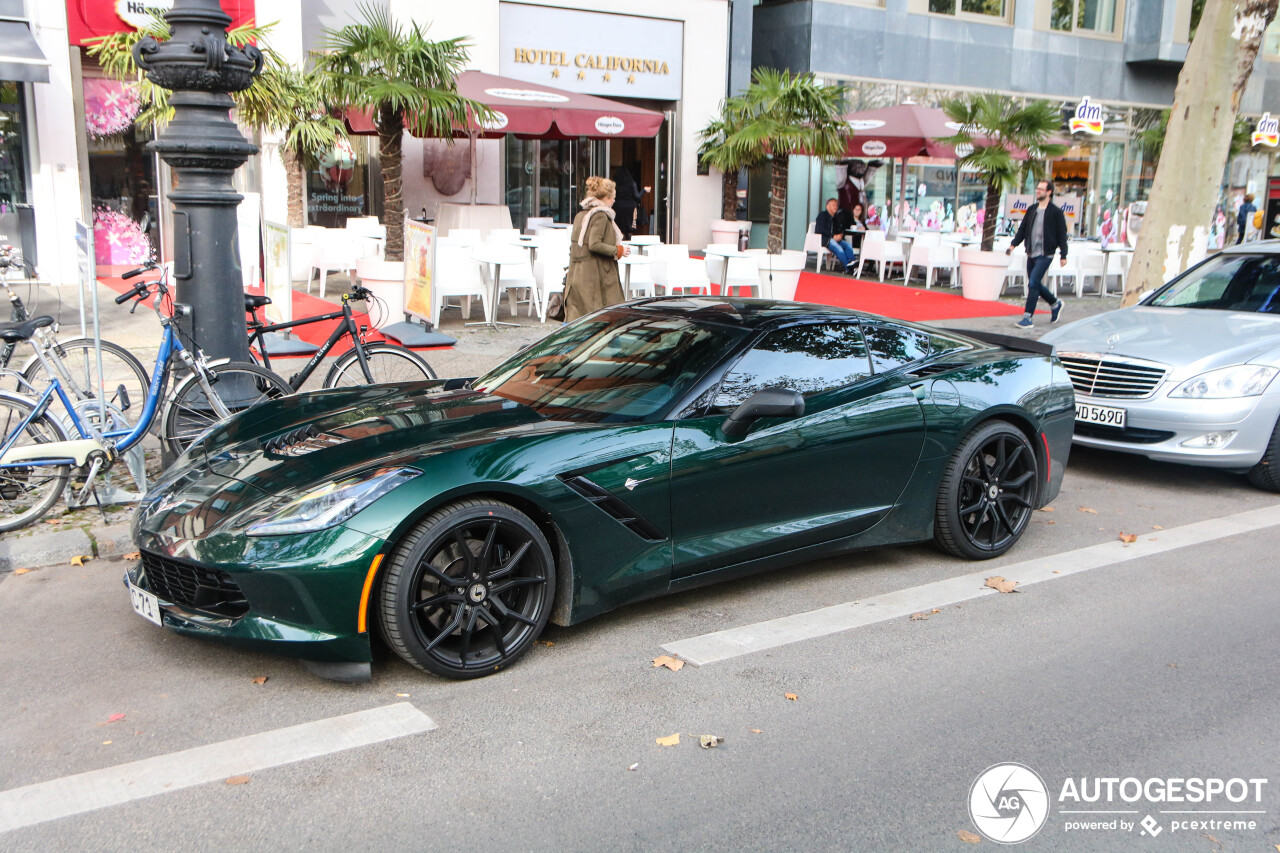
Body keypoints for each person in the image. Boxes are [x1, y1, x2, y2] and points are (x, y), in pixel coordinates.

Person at [564, 175, 628, 322]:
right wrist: (618, 250)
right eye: (613, 198)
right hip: (595, 277)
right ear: (605, 198)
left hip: (577, 274)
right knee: (604, 319)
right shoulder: (600, 216)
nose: (614, 201)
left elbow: (576, 246)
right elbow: (594, 245)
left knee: (576, 319)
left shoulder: (581, 215)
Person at [1008, 179, 1067, 330]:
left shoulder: (1056, 212)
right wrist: (1013, 244)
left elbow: (1062, 235)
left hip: (1045, 253)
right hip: (1031, 252)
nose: (1037, 191)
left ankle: (1027, 318)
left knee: (1033, 282)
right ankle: (1055, 303)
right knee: (1035, 283)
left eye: (1041, 189)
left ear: (1049, 192)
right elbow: (1023, 229)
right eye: (1037, 188)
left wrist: (1063, 255)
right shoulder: (1032, 209)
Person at [815, 197, 854, 272]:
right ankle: (849, 268)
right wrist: (832, 236)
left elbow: (840, 228)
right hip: (825, 239)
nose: (836, 207)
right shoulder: (822, 215)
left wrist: (840, 235)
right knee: (838, 248)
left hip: (835, 239)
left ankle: (852, 264)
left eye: (836, 205)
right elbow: (819, 229)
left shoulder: (836, 217)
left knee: (848, 245)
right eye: (833, 205)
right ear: (827, 206)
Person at [611, 165, 642, 241]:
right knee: (629, 230)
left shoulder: (615, 184)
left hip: (617, 207)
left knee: (619, 229)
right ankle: (630, 246)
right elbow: (637, 196)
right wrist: (644, 190)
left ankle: (620, 246)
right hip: (630, 208)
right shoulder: (632, 183)